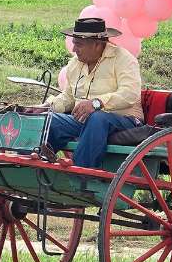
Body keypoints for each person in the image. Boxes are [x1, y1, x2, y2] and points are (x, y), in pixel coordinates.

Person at [27, 18, 144, 168]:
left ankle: (82, 174)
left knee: (97, 118)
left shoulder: (123, 59)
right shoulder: (75, 63)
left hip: (125, 120)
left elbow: (130, 94)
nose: (74, 49)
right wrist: (46, 106)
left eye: (78, 44)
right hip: (84, 121)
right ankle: (33, 166)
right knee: (48, 119)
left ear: (97, 44)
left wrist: (97, 103)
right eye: (74, 43)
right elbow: (68, 97)